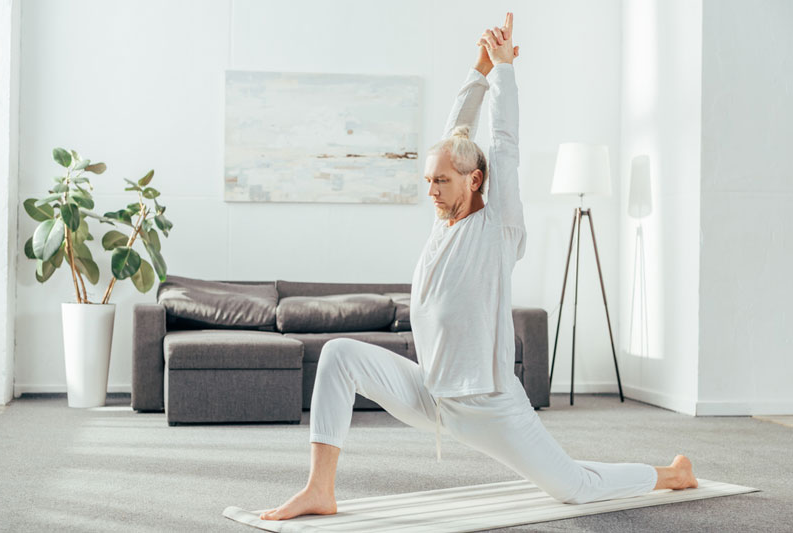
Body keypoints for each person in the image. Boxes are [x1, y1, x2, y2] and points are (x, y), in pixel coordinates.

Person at [259, 12, 697, 521]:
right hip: (431, 392)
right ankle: (320, 489)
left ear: (475, 179)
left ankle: (671, 475)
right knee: (338, 356)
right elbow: (455, 134)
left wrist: (505, 71)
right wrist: (478, 67)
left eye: (441, 182)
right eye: (428, 180)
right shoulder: (442, 220)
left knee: (574, 488)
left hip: (489, 406)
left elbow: (504, 146)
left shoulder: (499, 229)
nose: (431, 191)